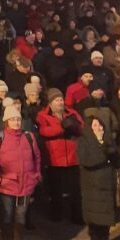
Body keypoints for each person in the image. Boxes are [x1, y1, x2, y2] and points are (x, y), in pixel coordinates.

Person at [0, 105, 41, 240]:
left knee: (21, 215)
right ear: (6, 122)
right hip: (7, 183)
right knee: (7, 214)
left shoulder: (29, 136)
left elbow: (37, 157)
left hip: (26, 183)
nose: (16, 122)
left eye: (18, 119)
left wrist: (36, 174)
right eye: (13, 119)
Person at [36, 88, 84, 223]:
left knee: (76, 190)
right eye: (57, 100)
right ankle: (56, 214)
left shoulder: (72, 112)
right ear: (50, 103)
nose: (60, 102)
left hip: (73, 157)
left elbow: (82, 127)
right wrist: (62, 127)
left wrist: (75, 127)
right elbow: (44, 131)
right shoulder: (42, 115)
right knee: (56, 190)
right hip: (55, 159)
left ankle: (77, 215)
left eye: (61, 99)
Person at [77, 111, 120, 240]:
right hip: (92, 185)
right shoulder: (84, 141)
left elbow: (119, 161)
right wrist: (104, 151)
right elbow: (88, 161)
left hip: (108, 184)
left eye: (100, 125)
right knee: (95, 215)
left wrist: (111, 151)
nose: (99, 128)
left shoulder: (108, 140)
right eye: (95, 125)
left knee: (107, 214)